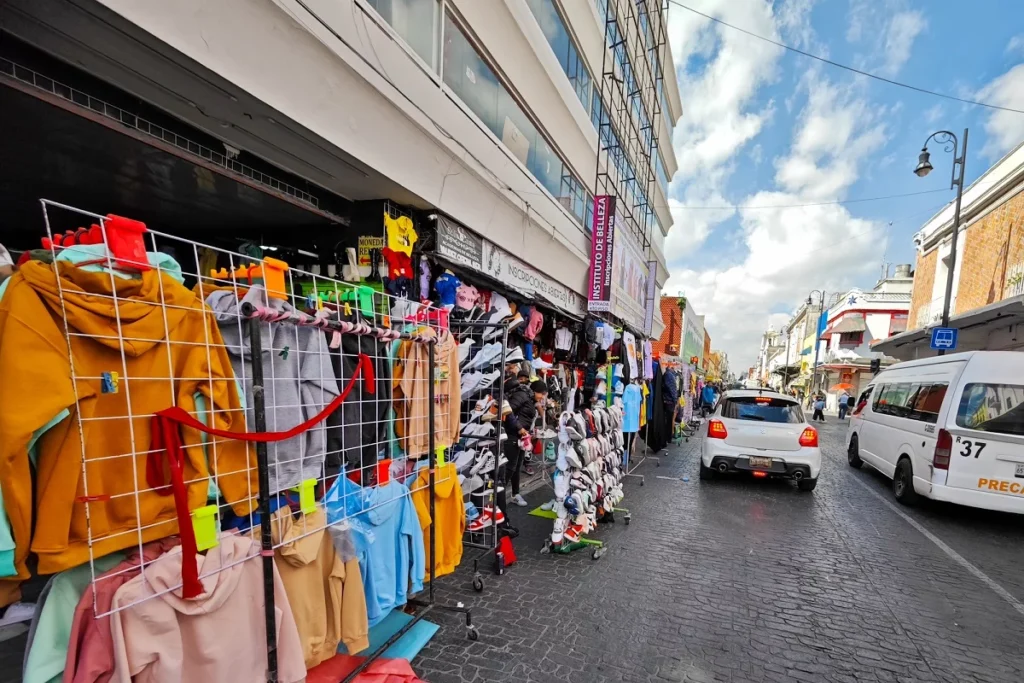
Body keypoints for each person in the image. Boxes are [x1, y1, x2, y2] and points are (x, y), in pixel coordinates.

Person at [503, 379, 547, 507]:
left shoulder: (530, 399)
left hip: (522, 436)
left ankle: (515, 494)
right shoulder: (522, 395)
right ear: (535, 391)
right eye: (542, 394)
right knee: (510, 467)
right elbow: (508, 411)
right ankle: (498, 497)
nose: (542, 397)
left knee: (516, 466)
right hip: (512, 434)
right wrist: (519, 428)